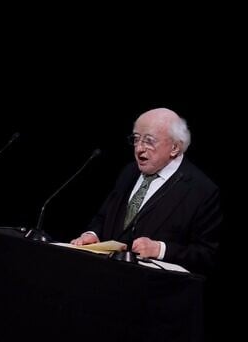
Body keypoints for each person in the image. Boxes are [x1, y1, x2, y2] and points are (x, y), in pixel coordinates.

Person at [71, 107, 222, 275]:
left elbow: (207, 256)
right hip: (107, 279)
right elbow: (104, 216)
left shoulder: (201, 190)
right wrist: (92, 234)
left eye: (149, 141)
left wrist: (160, 250)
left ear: (174, 148)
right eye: (136, 139)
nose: (139, 149)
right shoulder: (129, 172)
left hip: (156, 292)